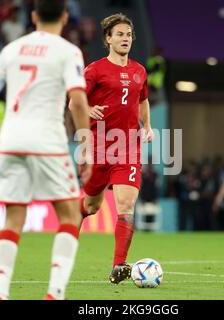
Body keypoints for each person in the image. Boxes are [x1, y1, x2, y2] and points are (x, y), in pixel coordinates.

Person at [0, 0, 91, 300]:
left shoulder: (11, 49)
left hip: (12, 141)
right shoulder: (68, 52)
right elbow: (78, 101)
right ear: (65, 17)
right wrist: (86, 145)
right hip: (47, 142)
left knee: (13, 219)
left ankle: (0, 294)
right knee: (69, 216)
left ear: (33, 16)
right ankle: (54, 293)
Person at [69, 13, 154, 284]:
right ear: (108, 39)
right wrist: (88, 110)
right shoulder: (94, 70)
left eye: (128, 34)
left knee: (126, 205)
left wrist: (148, 125)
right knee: (90, 207)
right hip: (99, 148)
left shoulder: (140, 71)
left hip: (129, 148)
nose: (125, 38)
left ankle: (119, 265)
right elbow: (74, 102)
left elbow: (143, 100)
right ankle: (67, 240)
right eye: (119, 34)